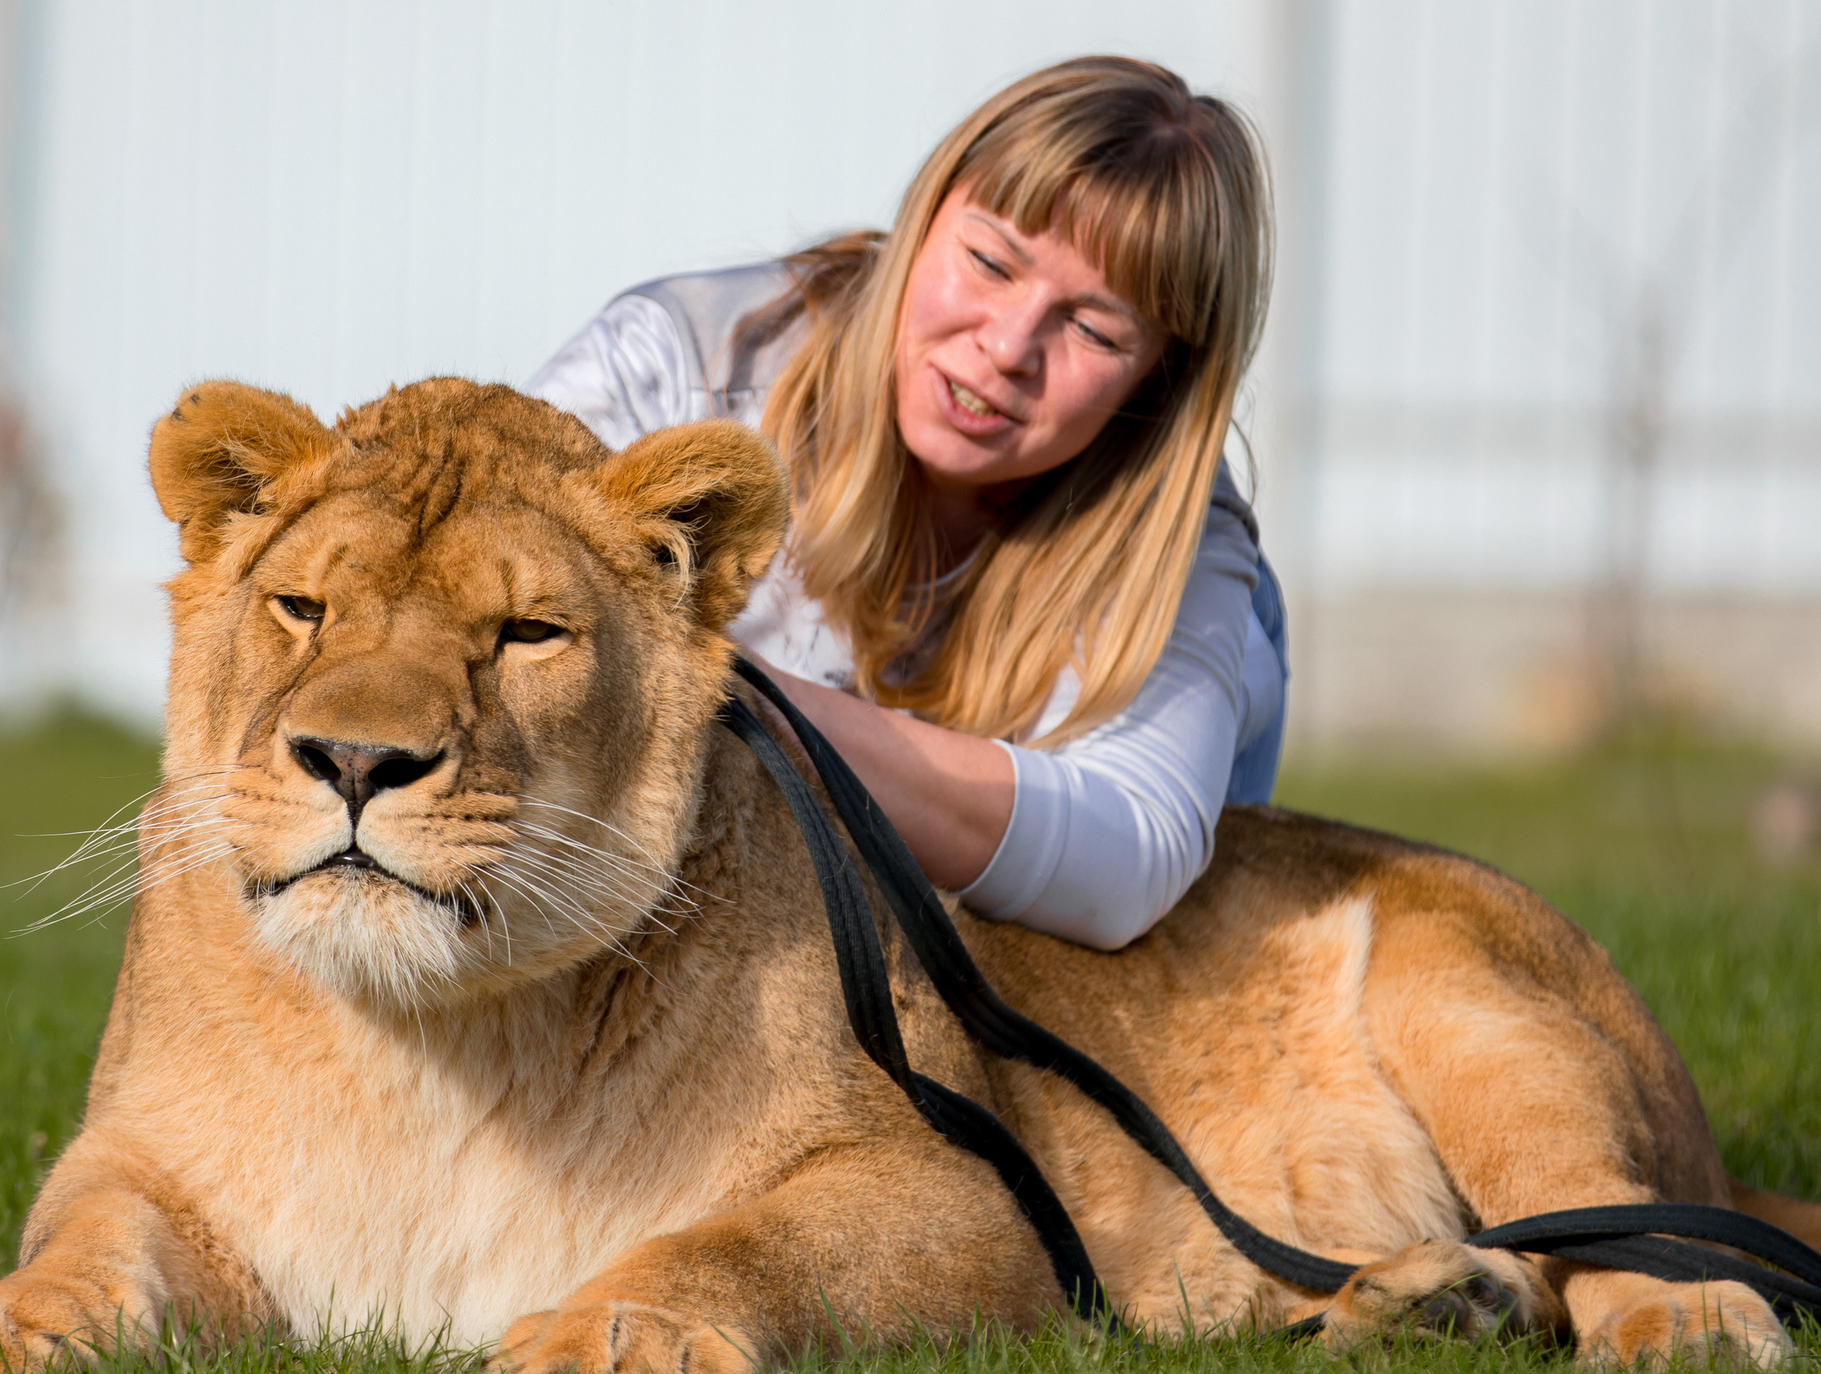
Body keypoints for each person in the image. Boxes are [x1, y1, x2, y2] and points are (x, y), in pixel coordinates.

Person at [524, 56, 1286, 951]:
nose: (1008, 347)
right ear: (923, 220)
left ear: (1165, 373)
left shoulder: (1187, 547)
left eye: (1092, 328)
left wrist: (737, 698)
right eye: (990, 261)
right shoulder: (680, 366)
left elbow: (1126, 865)